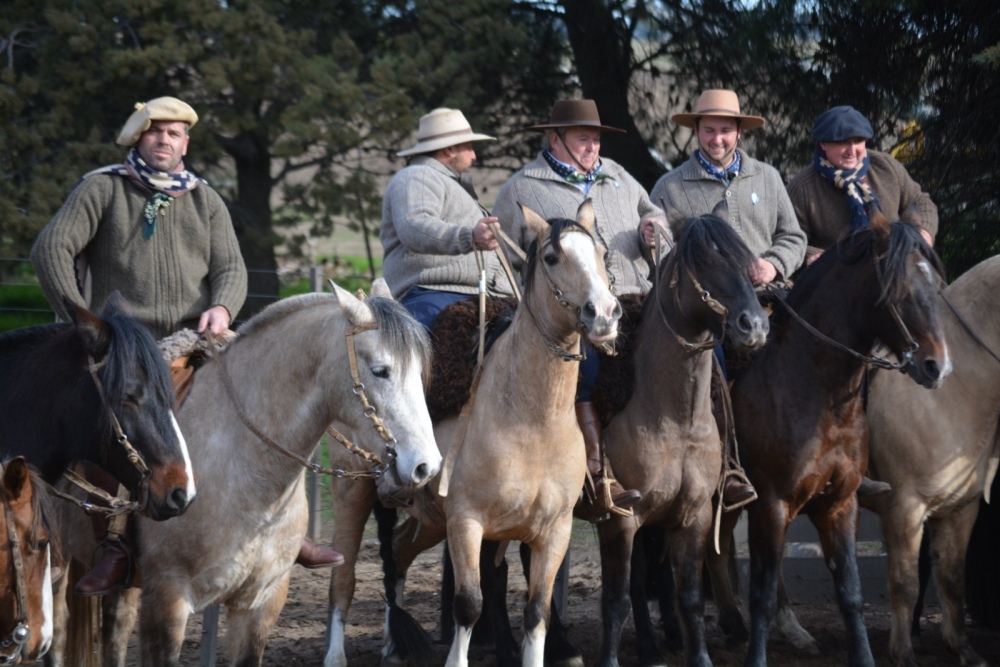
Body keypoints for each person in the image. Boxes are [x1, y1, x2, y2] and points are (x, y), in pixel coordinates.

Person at [30, 96, 341, 596]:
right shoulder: (103, 188)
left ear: (186, 143)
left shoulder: (204, 198)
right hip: (129, 349)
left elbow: (232, 269)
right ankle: (115, 544)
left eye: (174, 134)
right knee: (119, 430)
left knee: (267, 407)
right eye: (155, 132)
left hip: (195, 340)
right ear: (138, 137)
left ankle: (284, 530)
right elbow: (50, 248)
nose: (164, 141)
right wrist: (81, 322)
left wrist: (222, 306)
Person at [493, 99, 665, 519]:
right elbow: (505, 258)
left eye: (596, 139)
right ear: (556, 139)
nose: (592, 148)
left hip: (636, 298)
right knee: (585, 371)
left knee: (684, 358)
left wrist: (652, 230)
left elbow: (653, 213)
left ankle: (698, 468)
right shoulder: (522, 187)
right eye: (582, 139)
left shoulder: (619, 177)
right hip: (570, 315)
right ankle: (596, 473)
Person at [648, 89, 808, 507]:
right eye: (709, 130)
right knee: (712, 368)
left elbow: (793, 236)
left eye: (725, 130)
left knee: (820, 350)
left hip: (768, 295)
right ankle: (729, 467)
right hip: (710, 308)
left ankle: (831, 457)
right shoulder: (670, 186)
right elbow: (663, 256)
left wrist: (773, 263)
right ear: (696, 131)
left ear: (739, 132)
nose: (717, 138)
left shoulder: (767, 177)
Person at [380, 107, 515, 328]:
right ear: (450, 149)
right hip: (433, 294)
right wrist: (470, 236)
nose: (474, 155)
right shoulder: (418, 175)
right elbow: (415, 226)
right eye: (469, 148)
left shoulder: (446, 182)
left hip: (480, 295)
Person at [786, 104, 938, 267]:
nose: (852, 151)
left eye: (858, 141)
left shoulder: (886, 167)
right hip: (837, 277)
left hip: (896, 267)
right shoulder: (802, 188)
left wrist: (924, 233)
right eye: (843, 142)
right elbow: (789, 238)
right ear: (823, 144)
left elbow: (921, 201)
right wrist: (812, 256)